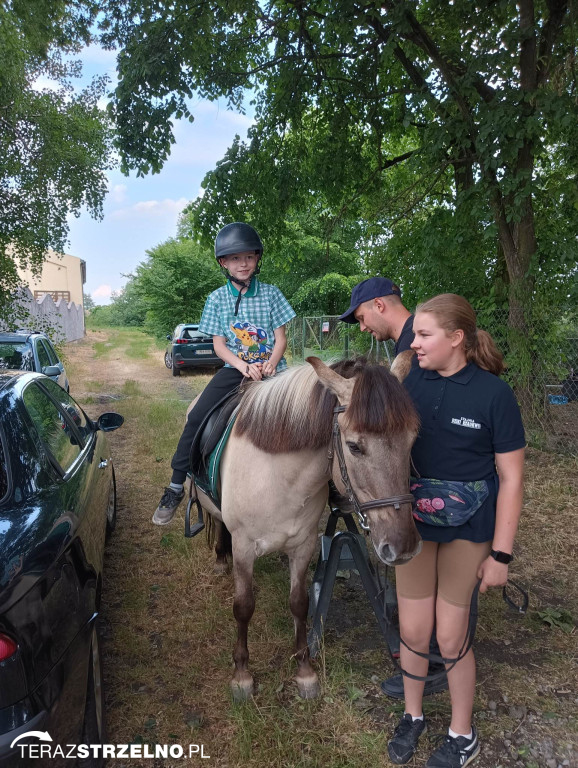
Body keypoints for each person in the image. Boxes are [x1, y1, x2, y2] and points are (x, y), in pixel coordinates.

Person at [387, 294, 525, 768]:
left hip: (470, 528)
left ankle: (461, 733)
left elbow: (511, 479)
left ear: (456, 338)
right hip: (416, 526)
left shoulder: (493, 395)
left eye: (424, 335)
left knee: (449, 637)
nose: (414, 344)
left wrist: (501, 556)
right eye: (415, 335)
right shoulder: (406, 383)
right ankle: (413, 715)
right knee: (412, 628)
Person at [340, 276, 445, 697]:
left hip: (440, 479)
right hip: (417, 481)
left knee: (441, 575)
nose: (362, 327)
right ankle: (425, 655)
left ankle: (436, 663)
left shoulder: (415, 346)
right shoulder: (403, 348)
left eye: (362, 316)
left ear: (379, 305)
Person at [152, 222, 295, 525]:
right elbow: (219, 346)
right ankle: (177, 485)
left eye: (249, 257)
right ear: (223, 263)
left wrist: (270, 361)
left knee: (314, 413)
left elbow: (281, 338)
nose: (243, 264)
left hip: (273, 370)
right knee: (196, 416)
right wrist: (244, 366)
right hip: (236, 370)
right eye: (235, 258)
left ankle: (335, 490)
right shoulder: (216, 299)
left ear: (257, 260)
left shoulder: (271, 294)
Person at [338, 276, 414, 355]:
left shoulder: (413, 346)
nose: (362, 328)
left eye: (362, 318)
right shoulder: (413, 337)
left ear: (379, 305)